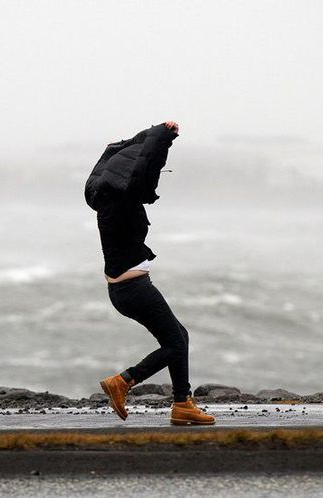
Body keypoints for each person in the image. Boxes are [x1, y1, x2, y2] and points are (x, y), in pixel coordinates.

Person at [84, 120, 215, 425]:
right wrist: (164, 137)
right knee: (176, 342)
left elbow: (120, 155)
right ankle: (123, 381)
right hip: (134, 290)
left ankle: (183, 404)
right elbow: (145, 169)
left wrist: (150, 135)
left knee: (178, 337)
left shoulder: (103, 200)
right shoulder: (123, 201)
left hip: (124, 290)